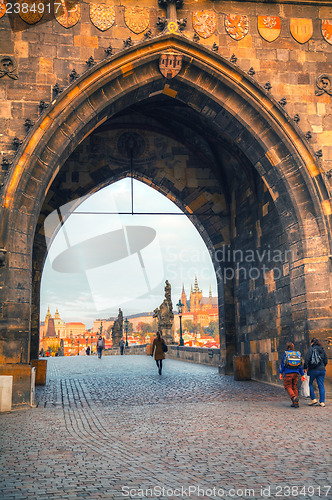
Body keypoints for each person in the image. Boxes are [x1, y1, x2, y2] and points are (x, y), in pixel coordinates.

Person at [279, 342, 305, 408]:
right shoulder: (297, 353)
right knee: (294, 386)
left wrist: (280, 372)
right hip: (296, 373)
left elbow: (283, 364)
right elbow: (300, 365)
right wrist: (302, 374)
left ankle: (293, 397)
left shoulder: (286, 353)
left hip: (288, 373)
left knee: (287, 386)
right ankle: (295, 403)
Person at [304, 338, 328, 407]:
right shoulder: (322, 349)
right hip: (322, 370)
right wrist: (322, 366)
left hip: (313, 370)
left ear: (312, 343)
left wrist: (305, 367)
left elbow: (307, 359)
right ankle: (322, 402)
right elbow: (325, 360)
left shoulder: (311, 349)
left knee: (310, 383)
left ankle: (313, 399)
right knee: (321, 385)